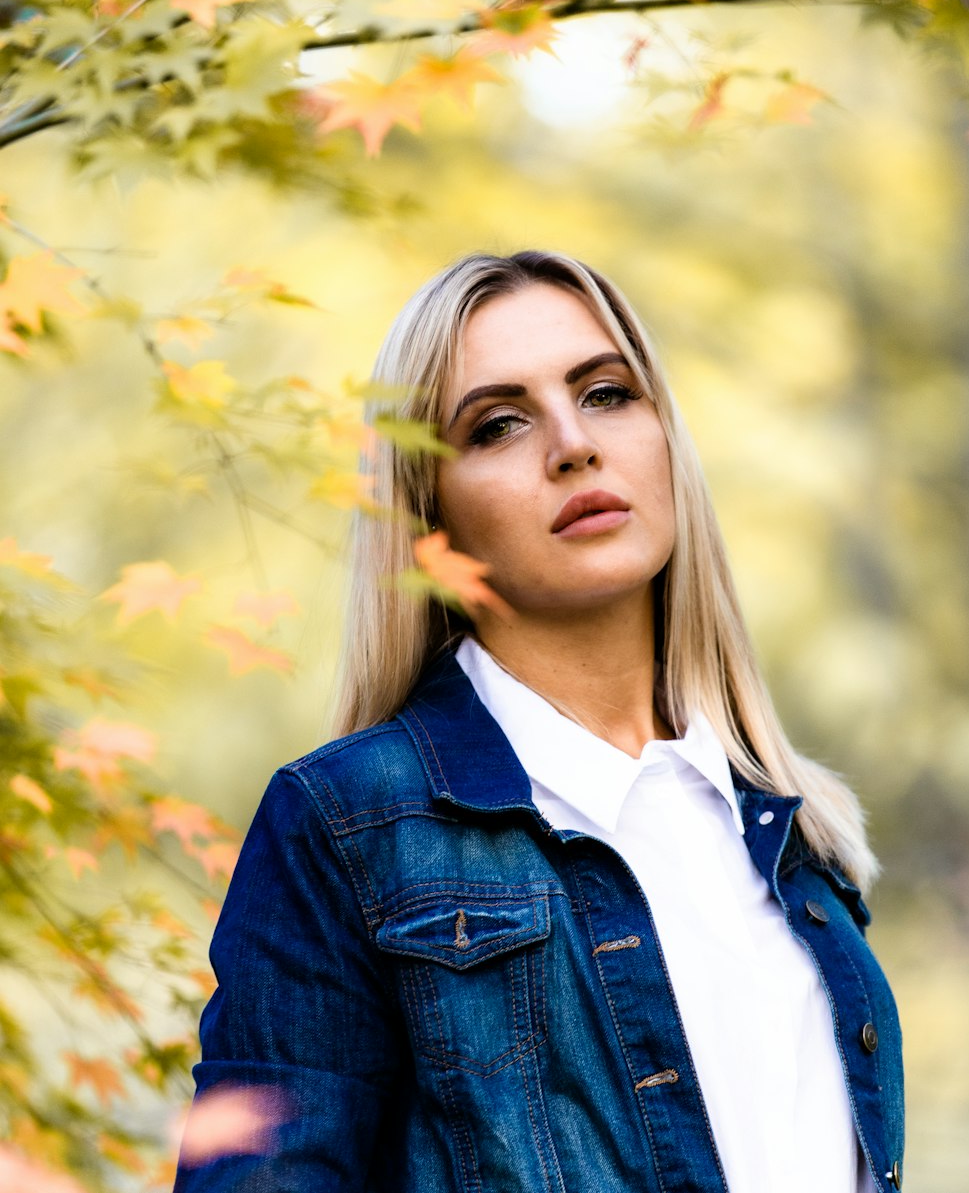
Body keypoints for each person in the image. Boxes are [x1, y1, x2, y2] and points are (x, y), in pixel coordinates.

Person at [173, 250, 905, 1193]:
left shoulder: (790, 832)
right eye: (500, 424)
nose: (572, 442)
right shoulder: (347, 825)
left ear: (664, 438)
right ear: (429, 514)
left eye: (606, 393)